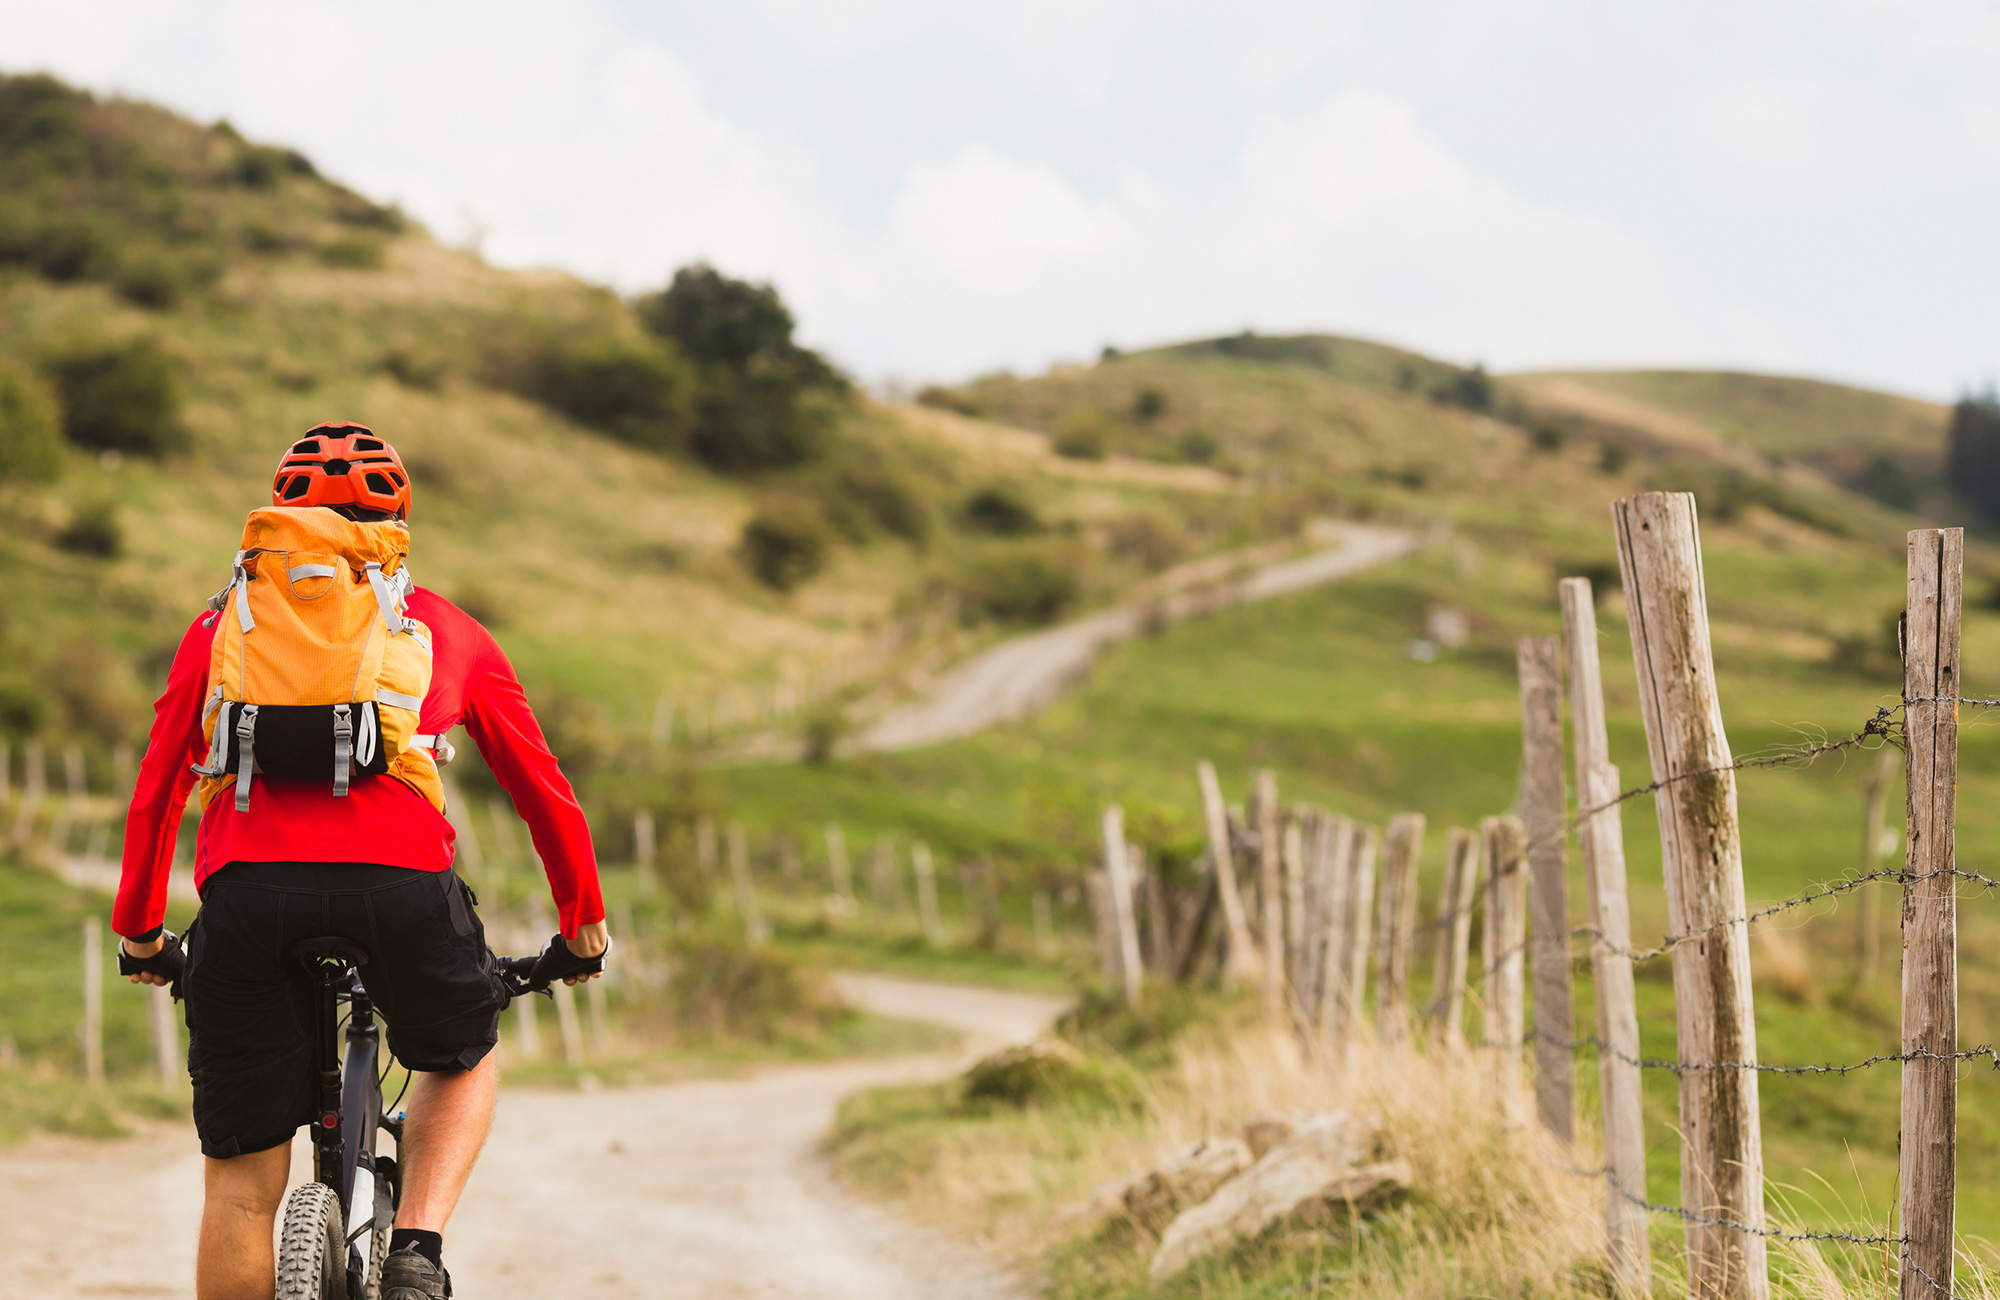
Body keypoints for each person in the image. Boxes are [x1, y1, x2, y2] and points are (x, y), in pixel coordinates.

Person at [114, 422, 608, 1300]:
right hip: (403, 888)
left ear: (280, 515)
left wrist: (143, 937)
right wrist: (582, 931)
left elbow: (156, 789)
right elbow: (544, 792)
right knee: (459, 1055)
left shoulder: (222, 626)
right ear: (398, 518)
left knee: (236, 1193)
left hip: (246, 896)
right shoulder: (444, 629)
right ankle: (418, 1249)